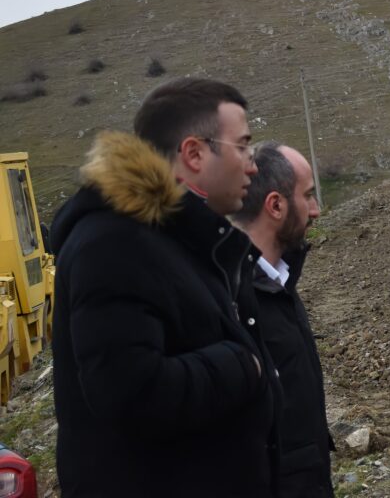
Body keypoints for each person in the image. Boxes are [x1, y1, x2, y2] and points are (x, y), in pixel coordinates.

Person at [50, 78, 276, 497]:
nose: (253, 165)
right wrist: (244, 365)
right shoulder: (114, 244)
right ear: (194, 153)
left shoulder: (182, 241)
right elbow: (131, 392)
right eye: (243, 146)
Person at [233, 142, 334, 498]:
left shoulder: (279, 282)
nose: (316, 211)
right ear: (275, 205)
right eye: (307, 196)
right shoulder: (235, 299)